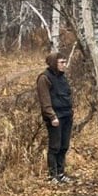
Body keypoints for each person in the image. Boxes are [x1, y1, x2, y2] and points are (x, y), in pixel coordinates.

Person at [36, 52, 74, 184]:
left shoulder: (62, 78)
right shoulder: (44, 78)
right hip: (55, 117)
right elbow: (45, 101)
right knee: (55, 146)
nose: (64, 65)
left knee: (64, 145)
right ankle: (53, 175)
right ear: (54, 63)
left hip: (67, 115)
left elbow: (67, 95)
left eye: (65, 62)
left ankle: (61, 173)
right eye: (61, 62)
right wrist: (52, 116)